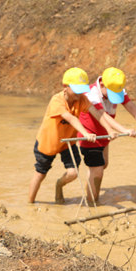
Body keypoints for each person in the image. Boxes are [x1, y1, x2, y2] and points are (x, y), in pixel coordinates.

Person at [28, 67, 118, 204]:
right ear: (65, 87)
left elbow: (97, 113)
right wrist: (87, 133)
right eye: (77, 89)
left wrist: (109, 130)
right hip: (48, 144)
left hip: (67, 143)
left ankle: (59, 185)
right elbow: (71, 119)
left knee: (73, 173)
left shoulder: (81, 99)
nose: (80, 93)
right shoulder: (56, 101)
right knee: (40, 173)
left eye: (82, 90)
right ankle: (30, 203)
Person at [79, 67, 136, 205]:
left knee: (103, 165)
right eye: (111, 93)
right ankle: (92, 204)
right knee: (97, 171)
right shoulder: (91, 93)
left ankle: (91, 193)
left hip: (106, 136)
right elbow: (104, 116)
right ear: (102, 85)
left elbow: (130, 106)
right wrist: (124, 130)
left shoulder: (116, 87)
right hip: (91, 136)